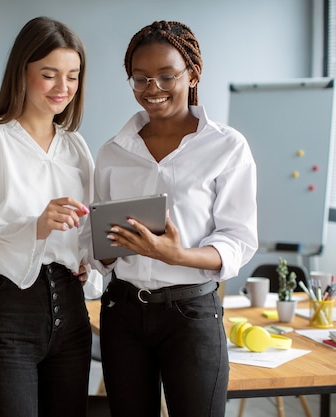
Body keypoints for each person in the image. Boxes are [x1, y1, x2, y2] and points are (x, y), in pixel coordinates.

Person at [90, 21, 258, 417]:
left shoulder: (227, 146)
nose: (153, 89)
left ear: (192, 74)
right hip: (123, 312)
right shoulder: (113, 151)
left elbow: (238, 239)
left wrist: (176, 255)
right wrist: (107, 250)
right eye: (141, 78)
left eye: (167, 76)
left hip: (191, 315)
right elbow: (96, 240)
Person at [0, 16, 101, 417]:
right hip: (4, 313)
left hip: (71, 312)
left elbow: (87, 234)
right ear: (22, 72)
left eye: (72, 76)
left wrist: (87, 264)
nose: (62, 88)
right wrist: (34, 227)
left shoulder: (76, 148)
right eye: (49, 75)